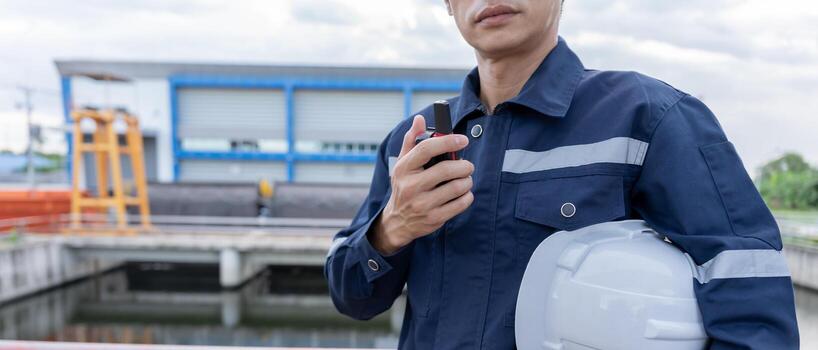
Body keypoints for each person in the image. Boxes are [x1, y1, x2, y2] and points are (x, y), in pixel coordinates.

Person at [324, 0, 800, 349]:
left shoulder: (649, 118)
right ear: (447, 4)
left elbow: (750, 297)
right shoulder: (413, 142)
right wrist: (392, 229)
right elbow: (353, 299)